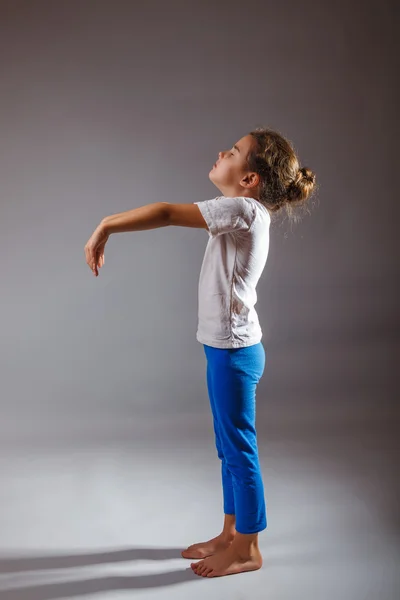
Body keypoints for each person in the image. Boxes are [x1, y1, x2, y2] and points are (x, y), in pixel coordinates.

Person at [84, 127, 316, 578]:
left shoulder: (245, 211)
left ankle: (248, 548)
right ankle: (230, 534)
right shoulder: (244, 212)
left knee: (238, 450)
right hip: (225, 349)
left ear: (250, 179)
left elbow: (169, 212)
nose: (220, 153)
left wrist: (106, 224)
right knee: (227, 448)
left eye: (233, 152)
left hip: (234, 353)